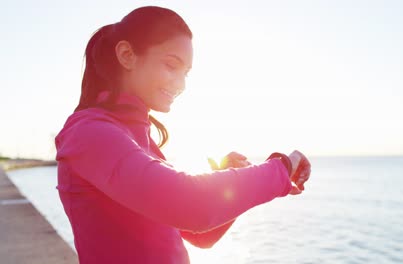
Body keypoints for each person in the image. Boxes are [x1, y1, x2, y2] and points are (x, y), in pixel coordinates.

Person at [55, 6, 311, 264]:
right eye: (171, 65)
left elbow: (200, 235)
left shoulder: (143, 143)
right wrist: (280, 168)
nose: (181, 83)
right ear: (127, 55)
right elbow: (191, 207)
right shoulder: (89, 133)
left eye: (186, 73)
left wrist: (226, 181)